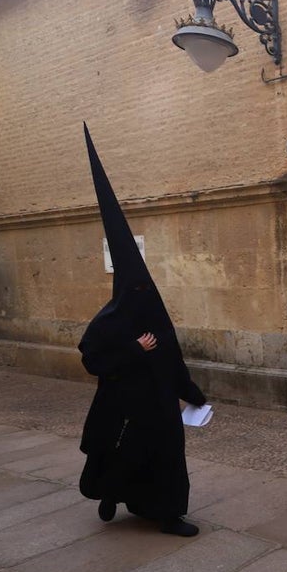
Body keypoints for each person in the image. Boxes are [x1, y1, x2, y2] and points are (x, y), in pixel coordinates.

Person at [77, 125, 206, 538]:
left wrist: (190, 391)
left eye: (145, 288)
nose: (141, 294)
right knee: (128, 456)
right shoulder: (109, 321)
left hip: (161, 404)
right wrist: (133, 351)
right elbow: (93, 361)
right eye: (134, 289)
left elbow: (170, 356)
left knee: (169, 457)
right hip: (126, 406)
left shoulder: (152, 311)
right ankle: (112, 494)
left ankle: (168, 514)